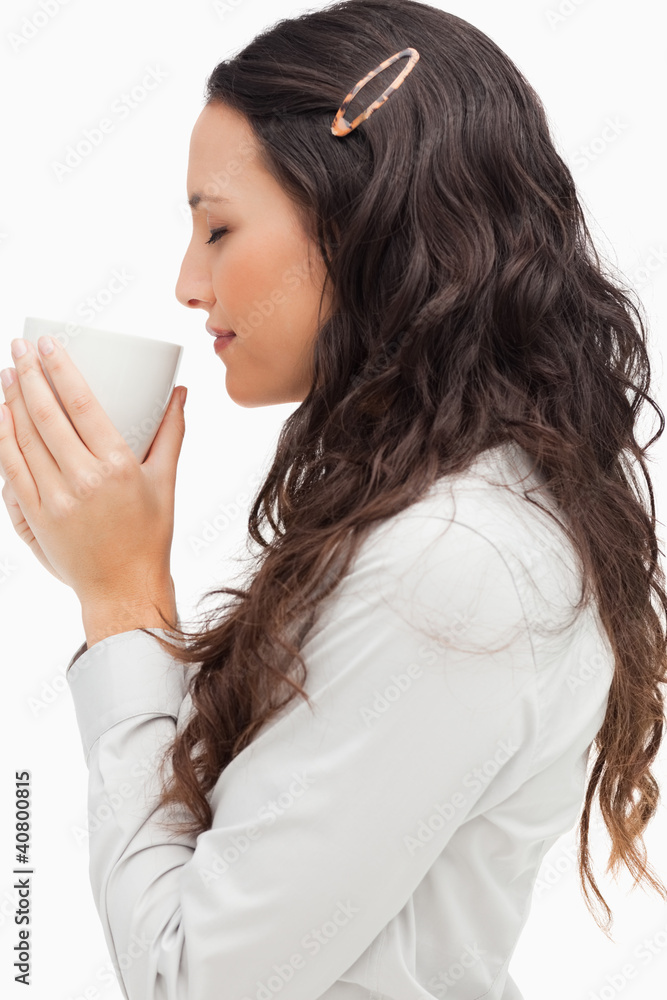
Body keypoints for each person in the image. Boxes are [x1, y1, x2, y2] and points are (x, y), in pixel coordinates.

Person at [1, 2, 665, 998]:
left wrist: (122, 601)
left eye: (218, 227)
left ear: (362, 219)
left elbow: (193, 980)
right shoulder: (443, 511)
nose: (189, 281)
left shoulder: (453, 560)